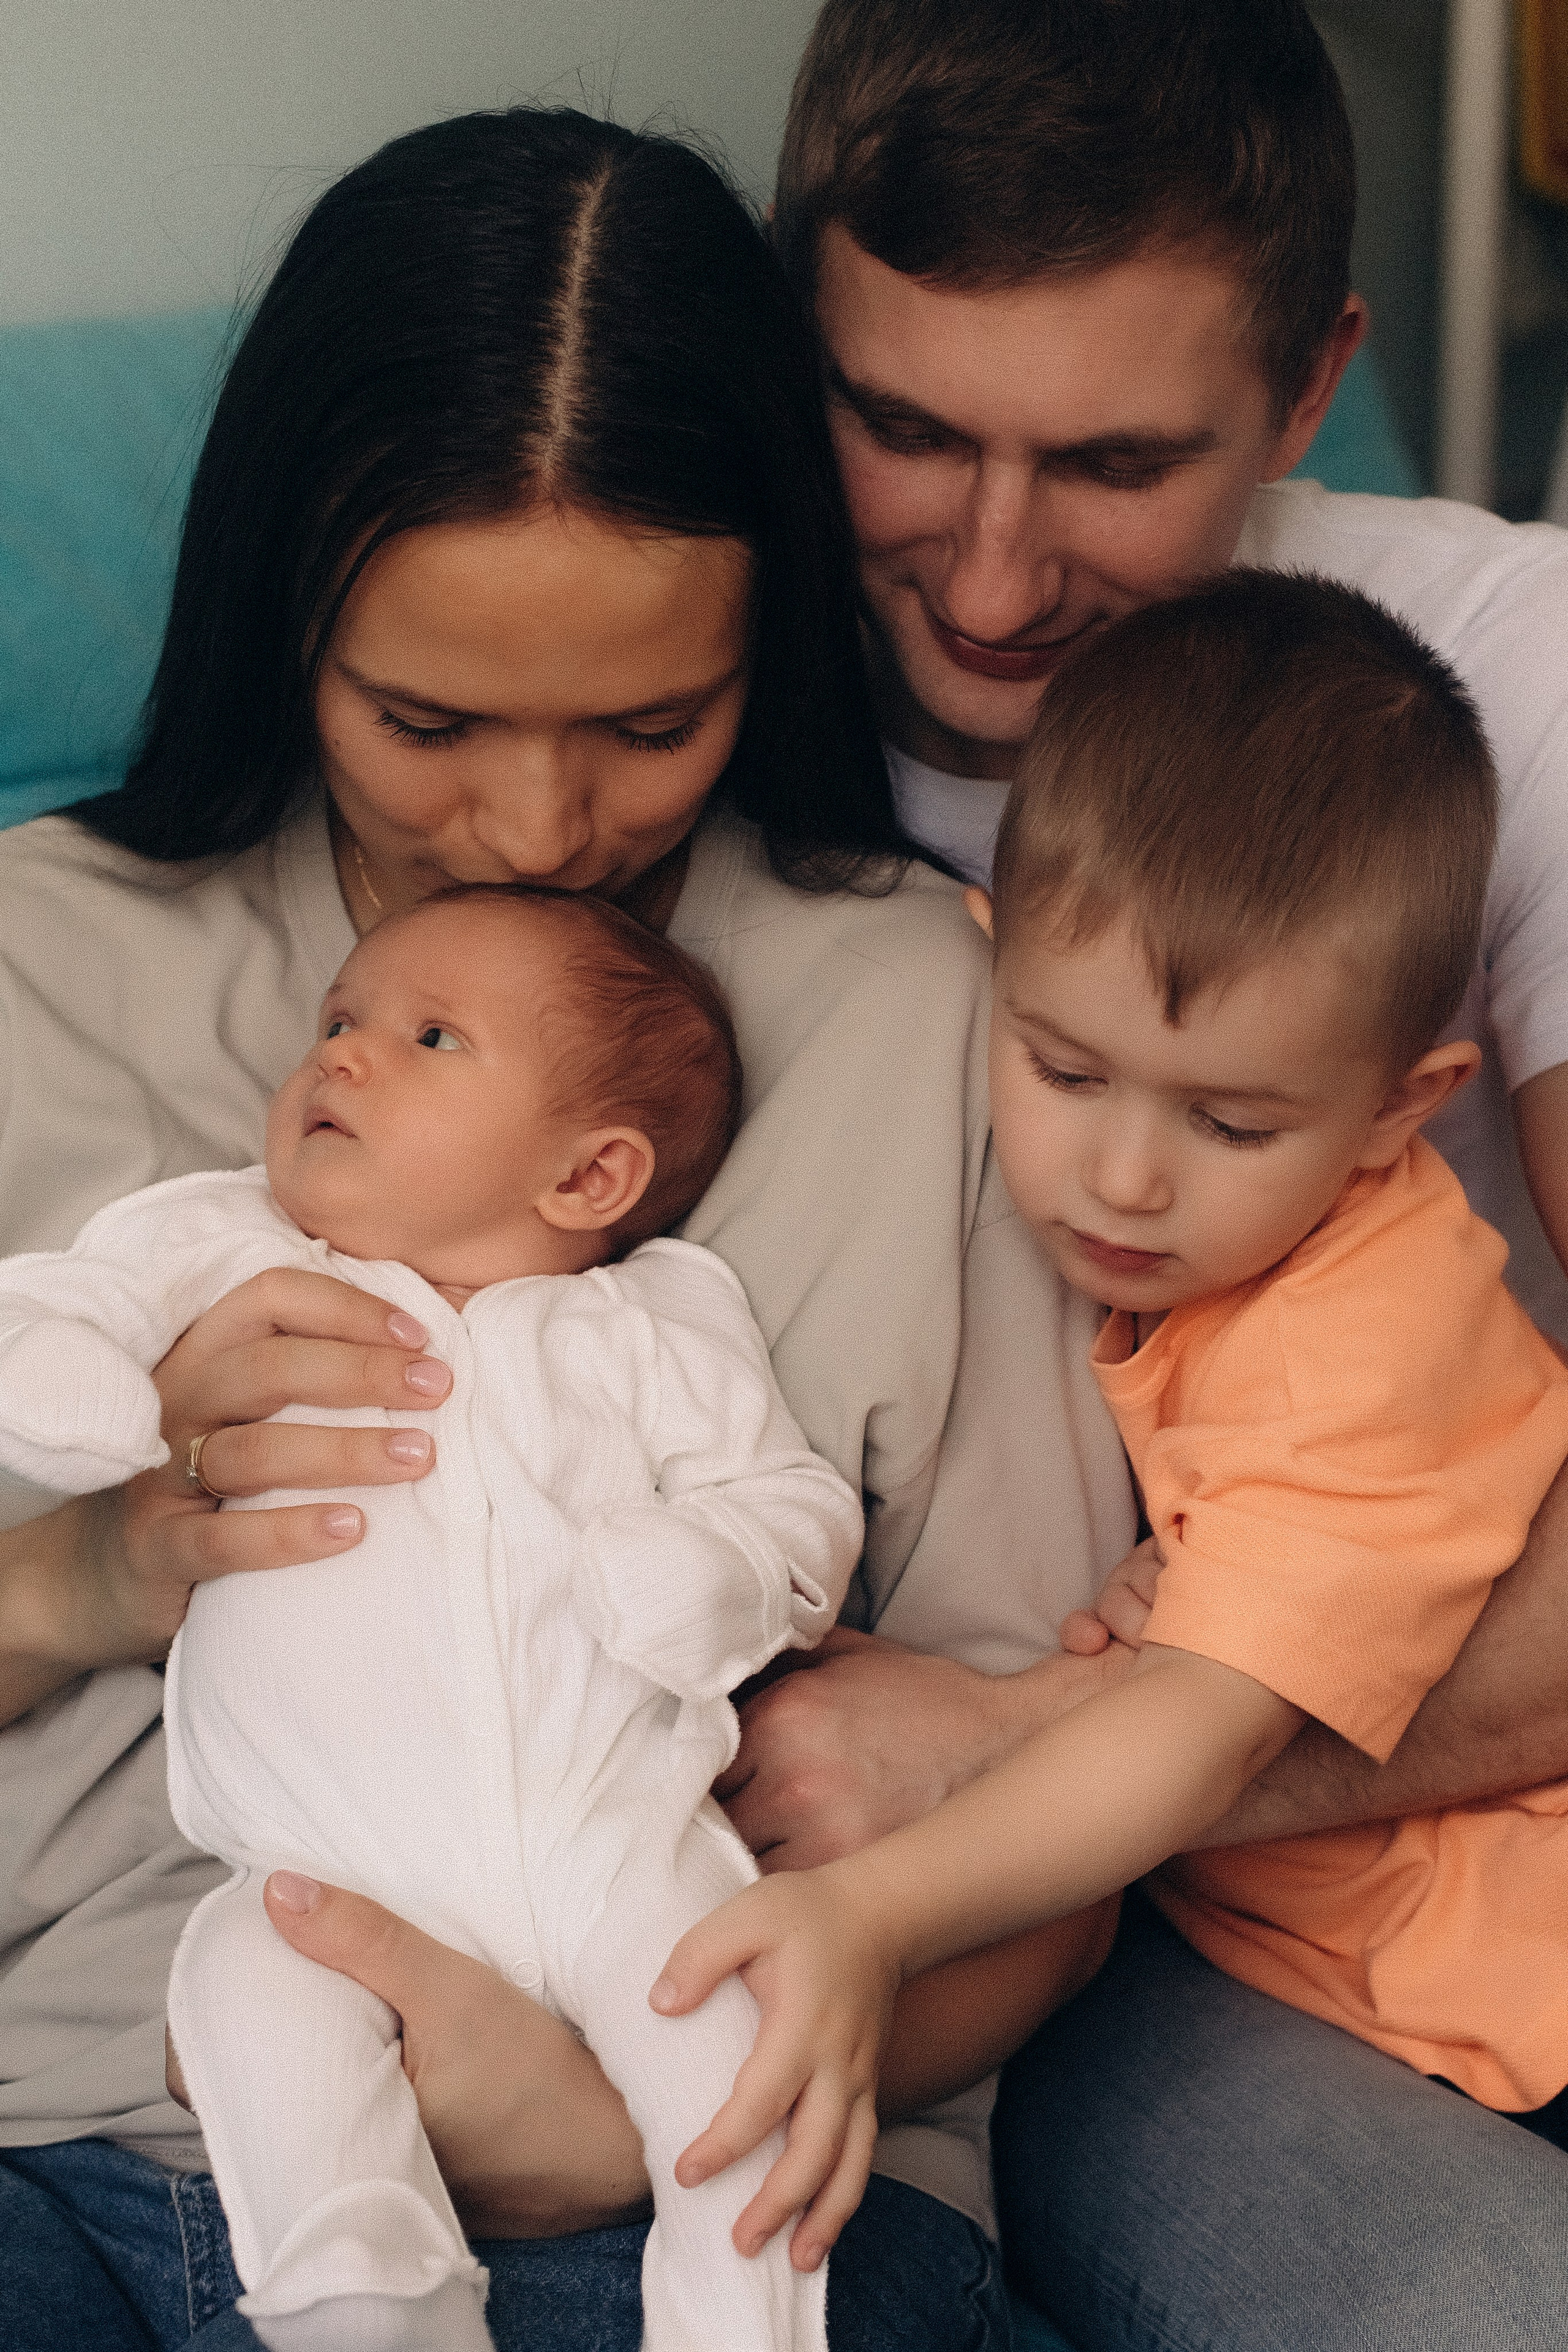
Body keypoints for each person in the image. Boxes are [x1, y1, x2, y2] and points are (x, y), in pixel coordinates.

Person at [0, 106, 1126, 2352]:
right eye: (422, 717)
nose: (533, 824)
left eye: (650, 722)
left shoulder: (910, 1016)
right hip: (91, 2140)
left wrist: (636, 2134)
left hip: (734, 2169)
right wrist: (101, 1566)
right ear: (281, 616)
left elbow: (1063, 1835)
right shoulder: (47, 963)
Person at [733, 2, 1568, 2342]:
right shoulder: (660, 705)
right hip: (1090, 1947)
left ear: (1313, 385)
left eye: (1111, 462)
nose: (993, 577)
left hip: (1264, 1836)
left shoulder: (1503, 700)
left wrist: (1009, 1748)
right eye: (900, 426)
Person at [653, 575, 1568, 2263]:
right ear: (994, 964)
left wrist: (868, 1913)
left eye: (1231, 1123)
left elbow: (1195, 1739)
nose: (1125, 1179)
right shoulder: (1088, 1207)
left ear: (1399, 1111)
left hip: (1515, 1972)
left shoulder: (1349, 1347)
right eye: (1066, 1074)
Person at [0, 883, 865, 2352]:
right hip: (317, 1869)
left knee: (733, 2048)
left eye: (429, 1036)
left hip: (613, 1853)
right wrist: (79, 1390)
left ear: (589, 1177)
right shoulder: (242, 1253)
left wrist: (704, 1567)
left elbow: (789, 1506)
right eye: (337, 1020)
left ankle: (735, 2321)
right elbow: (66, 1300)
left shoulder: (654, 1323)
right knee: (247, 1988)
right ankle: (362, 2289)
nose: (338, 1054)